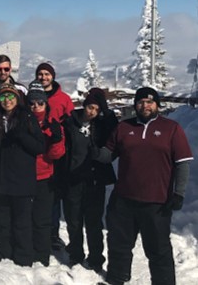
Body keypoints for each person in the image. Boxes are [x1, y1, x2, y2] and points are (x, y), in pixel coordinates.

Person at [102, 87, 193, 285]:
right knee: (118, 244)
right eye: (141, 102)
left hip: (156, 201)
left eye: (150, 102)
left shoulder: (171, 128)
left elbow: (182, 163)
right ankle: (116, 279)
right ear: (136, 105)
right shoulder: (124, 127)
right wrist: (91, 143)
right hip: (124, 199)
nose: (145, 106)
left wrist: (179, 192)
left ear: (157, 105)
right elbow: (107, 154)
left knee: (158, 249)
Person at [60, 87, 117, 273]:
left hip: (94, 181)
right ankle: (76, 254)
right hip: (73, 179)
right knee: (74, 220)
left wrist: (105, 110)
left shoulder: (103, 125)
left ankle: (95, 258)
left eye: (96, 109)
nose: (92, 111)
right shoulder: (71, 122)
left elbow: (114, 130)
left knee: (93, 222)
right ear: (84, 106)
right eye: (90, 107)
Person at [0, 83, 45, 267]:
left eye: (11, 96)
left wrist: (22, 136)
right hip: (1, 178)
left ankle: (23, 258)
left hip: (21, 179)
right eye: (3, 97)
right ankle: (5, 255)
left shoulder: (27, 118)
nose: (7, 100)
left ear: (17, 98)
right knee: (3, 221)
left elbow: (39, 147)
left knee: (22, 223)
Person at [35, 61, 75, 251]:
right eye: (40, 74)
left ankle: (52, 233)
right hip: (36, 152)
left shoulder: (63, 99)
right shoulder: (32, 96)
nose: (43, 77)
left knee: (54, 194)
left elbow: (72, 123)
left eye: (47, 74)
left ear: (53, 76)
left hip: (57, 151)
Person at [27, 80, 66, 267]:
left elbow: (56, 155)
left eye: (40, 103)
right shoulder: (22, 121)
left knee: (42, 220)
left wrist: (56, 140)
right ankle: (26, 251)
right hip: (23, 177)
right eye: (32, 103)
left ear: (45, 103)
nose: (36, 107)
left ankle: (42, 257)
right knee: (24, 218)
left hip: (44, 177)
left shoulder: (52, 123)